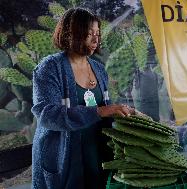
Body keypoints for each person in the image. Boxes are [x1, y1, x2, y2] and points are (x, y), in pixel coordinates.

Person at [31, 7, 134, 189]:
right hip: (66, 161)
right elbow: (47, 115)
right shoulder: (50, 68)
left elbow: (105, 111)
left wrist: (123, 113)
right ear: (72, 34)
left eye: (97, 33)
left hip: (97, 155)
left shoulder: (99, 69)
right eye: (88, 34)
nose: (96, 39)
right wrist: (100, 111)